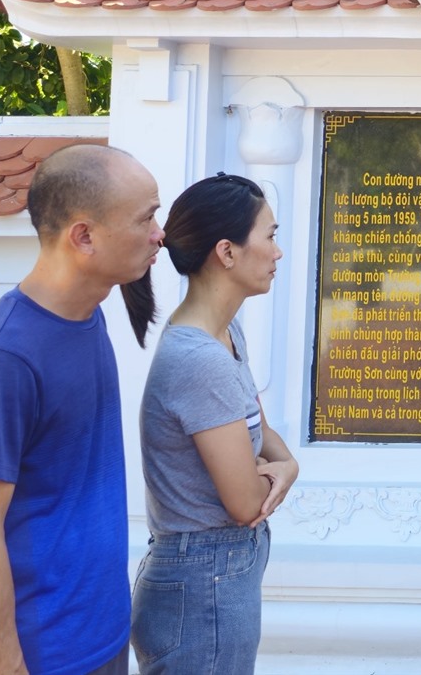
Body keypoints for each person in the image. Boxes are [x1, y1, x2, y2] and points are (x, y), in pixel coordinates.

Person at [0, 144, 163, 675]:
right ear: (83, 236)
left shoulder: (89, 316)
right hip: (32, 658)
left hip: (98, 638)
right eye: (146, 217)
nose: (160, 233)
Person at [128, 173, 300, 674]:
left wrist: (286, 467)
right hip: (204, 582)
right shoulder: (198, 358)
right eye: (269, 236)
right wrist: (283, 468)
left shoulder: (226, 335)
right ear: (227, 252)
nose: (278, 252)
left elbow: (265, 439)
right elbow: (247, 502)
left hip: (217, 577)